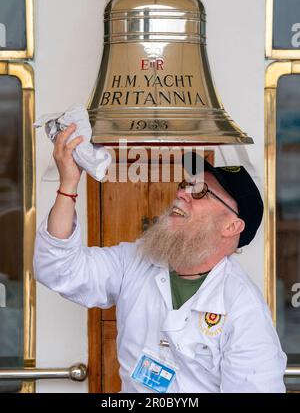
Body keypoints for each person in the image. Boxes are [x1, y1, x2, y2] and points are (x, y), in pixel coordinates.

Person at [33, 124, 287, 393]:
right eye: (186, 184)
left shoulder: (243, 308)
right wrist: (69, 185)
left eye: (199, 191)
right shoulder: (136, 260)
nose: (181, 193)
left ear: (231, 227)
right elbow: (59, 269)